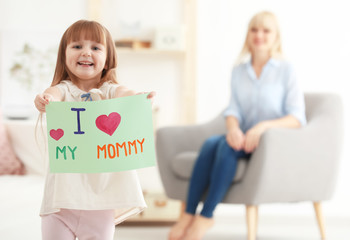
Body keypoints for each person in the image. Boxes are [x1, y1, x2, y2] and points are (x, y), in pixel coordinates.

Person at [169, 11, 306, 240]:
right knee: (212, 143)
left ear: (276, 37)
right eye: (254, 29)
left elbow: (297, 117)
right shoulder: (239, 71)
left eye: (266, 30)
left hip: (271, 142)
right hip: (243, 139)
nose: (259, 35)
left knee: (224, 147)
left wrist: (261, 128)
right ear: (248, 34)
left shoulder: (286, 70)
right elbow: (233, 110)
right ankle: (188, 214)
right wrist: (233, 129)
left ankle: (206, 217)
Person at [34, 20, 155, 240]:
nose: (86, 53)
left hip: (100, 202)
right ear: (64, 55)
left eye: (96, 47)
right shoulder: (63, 90)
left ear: (107, 59)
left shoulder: (109, 91)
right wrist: (45, 100)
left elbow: (124, 92)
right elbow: (52, 94)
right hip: (60, 203)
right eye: (77, 46)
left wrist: (138, 99)